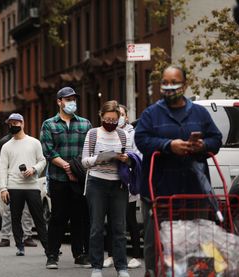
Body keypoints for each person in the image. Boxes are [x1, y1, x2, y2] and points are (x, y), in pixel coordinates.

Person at [134, 65, 222, 276]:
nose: (169, 87)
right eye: (165, 83)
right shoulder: (151, 114)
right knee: (156, 241)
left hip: (194, 189)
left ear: (185, 84)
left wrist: (202, 146)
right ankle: (154, 272)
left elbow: (215, 139)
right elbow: (142, 139)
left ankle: (194, 273)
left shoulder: (199, 113)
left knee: (197, 239)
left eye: (174, 83)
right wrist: (168, 145)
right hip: (160, 190)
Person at [40, 86, 92, 269]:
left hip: (79, 179)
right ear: (59, 102)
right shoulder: (49, 124)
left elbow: (90, 150)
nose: (72, 103)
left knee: (80, 218)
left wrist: (75, 169)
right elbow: (48, 150)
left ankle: (80, 254)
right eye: (68, 99)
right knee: (58, 218)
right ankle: (52, 255)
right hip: (58, 179)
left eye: (73, 99)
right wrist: (67, 167)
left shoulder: (85, 124)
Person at [82, 100, 132, 277]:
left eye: (114, 120)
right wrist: (100, 158)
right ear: (101, 116)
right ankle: (96, 266)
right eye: (107, 119)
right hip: (97, 183)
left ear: (119, 119)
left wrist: (126, 159)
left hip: (118, 184)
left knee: (119, 227)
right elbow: (84, 161)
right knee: (96, 226)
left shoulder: (124, 136)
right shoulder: (93, 134)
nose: (110, 123)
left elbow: (131, 158)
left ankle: (122, 267)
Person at [0, 113, 48, 257]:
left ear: (22, 123)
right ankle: (20, 246)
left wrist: (34, 169)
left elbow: (42, 160)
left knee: (39, 218)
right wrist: (3, 188)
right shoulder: (6, 146)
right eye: (10, 124)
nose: (13, 126)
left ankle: (48, 248)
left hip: (32, 186)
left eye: (16, 123)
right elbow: (2, 168)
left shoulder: (34, 142)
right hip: (14, 186)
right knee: (16, 218)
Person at [103, 105, 142, 269]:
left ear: (126, 117)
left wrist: (127, 158)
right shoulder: (106, 133)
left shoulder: (133, 134)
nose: (118, 117)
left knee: (130, 219)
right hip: (110, 179)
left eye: (122, 114)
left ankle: (135, 255)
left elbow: (137, 155)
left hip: (127, 180)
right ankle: (111, 255)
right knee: (111, 220)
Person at [0, 131, 36, 248]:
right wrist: (3, 185)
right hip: (10, 181)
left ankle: (27, 236)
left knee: (26, 210)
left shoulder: (29, 142)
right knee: (8, 210)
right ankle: (5, 237)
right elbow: (1, 164)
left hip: (26, 181)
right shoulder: (5, 142)